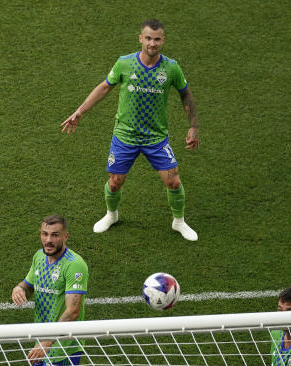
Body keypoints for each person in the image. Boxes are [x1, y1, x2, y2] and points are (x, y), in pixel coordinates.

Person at [60, 19, 200, 241]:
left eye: (156, 39)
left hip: (156, 137)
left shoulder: (171, 67)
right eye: (148, 38)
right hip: (125, 136)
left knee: (173, 180)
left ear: (163, 40)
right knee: (114, 183)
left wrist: (193, 126)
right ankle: (111, 215)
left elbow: (185, 93)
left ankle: (179, 222)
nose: (152, 43)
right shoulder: (125, 64)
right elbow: (105, 87)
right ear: (140, 39)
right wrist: (80, 112)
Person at [10, 215, 95, 366]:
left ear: (65, 236)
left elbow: (73, 311)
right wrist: (19, 289)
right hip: (43, 341)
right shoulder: (39, 257)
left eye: (55, 235)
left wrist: (46, 343)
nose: (49, 240)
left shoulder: (75, 265)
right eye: (45, 234)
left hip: (62, 345)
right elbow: (27, 284)